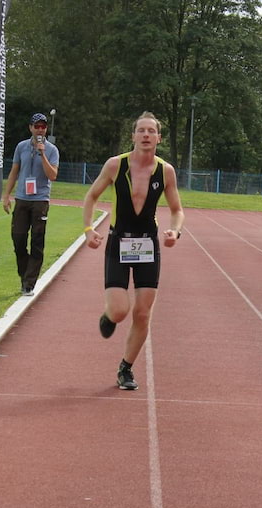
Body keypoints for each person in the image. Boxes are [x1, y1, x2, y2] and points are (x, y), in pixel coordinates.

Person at [82, 111, 185, 391]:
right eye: (141, 130)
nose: (146, 135)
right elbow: (91, 196)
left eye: (151, 131)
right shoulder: (116, 165)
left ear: (159, 138)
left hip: (148, 244)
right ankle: (108, 316)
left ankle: (125, 368)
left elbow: (177, 210)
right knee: (119, 311)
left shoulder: (166, 171)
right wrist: (89, 229)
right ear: (133, 136)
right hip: (119, 241)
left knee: (142, 313)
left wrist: (175, 231)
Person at [2, 112, 60, 296]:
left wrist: (42, 154)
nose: (40, 129)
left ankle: (29, 283)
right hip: (22, 198)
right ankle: (25, 274)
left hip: (40, 200)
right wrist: (6, 195)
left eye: (43, 126)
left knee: (37, 240)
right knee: (18, 238)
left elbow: (52, 175)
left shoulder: (52, 150)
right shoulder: (21, 147)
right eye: (37, 126)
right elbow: (14, 171)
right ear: (30, 128)